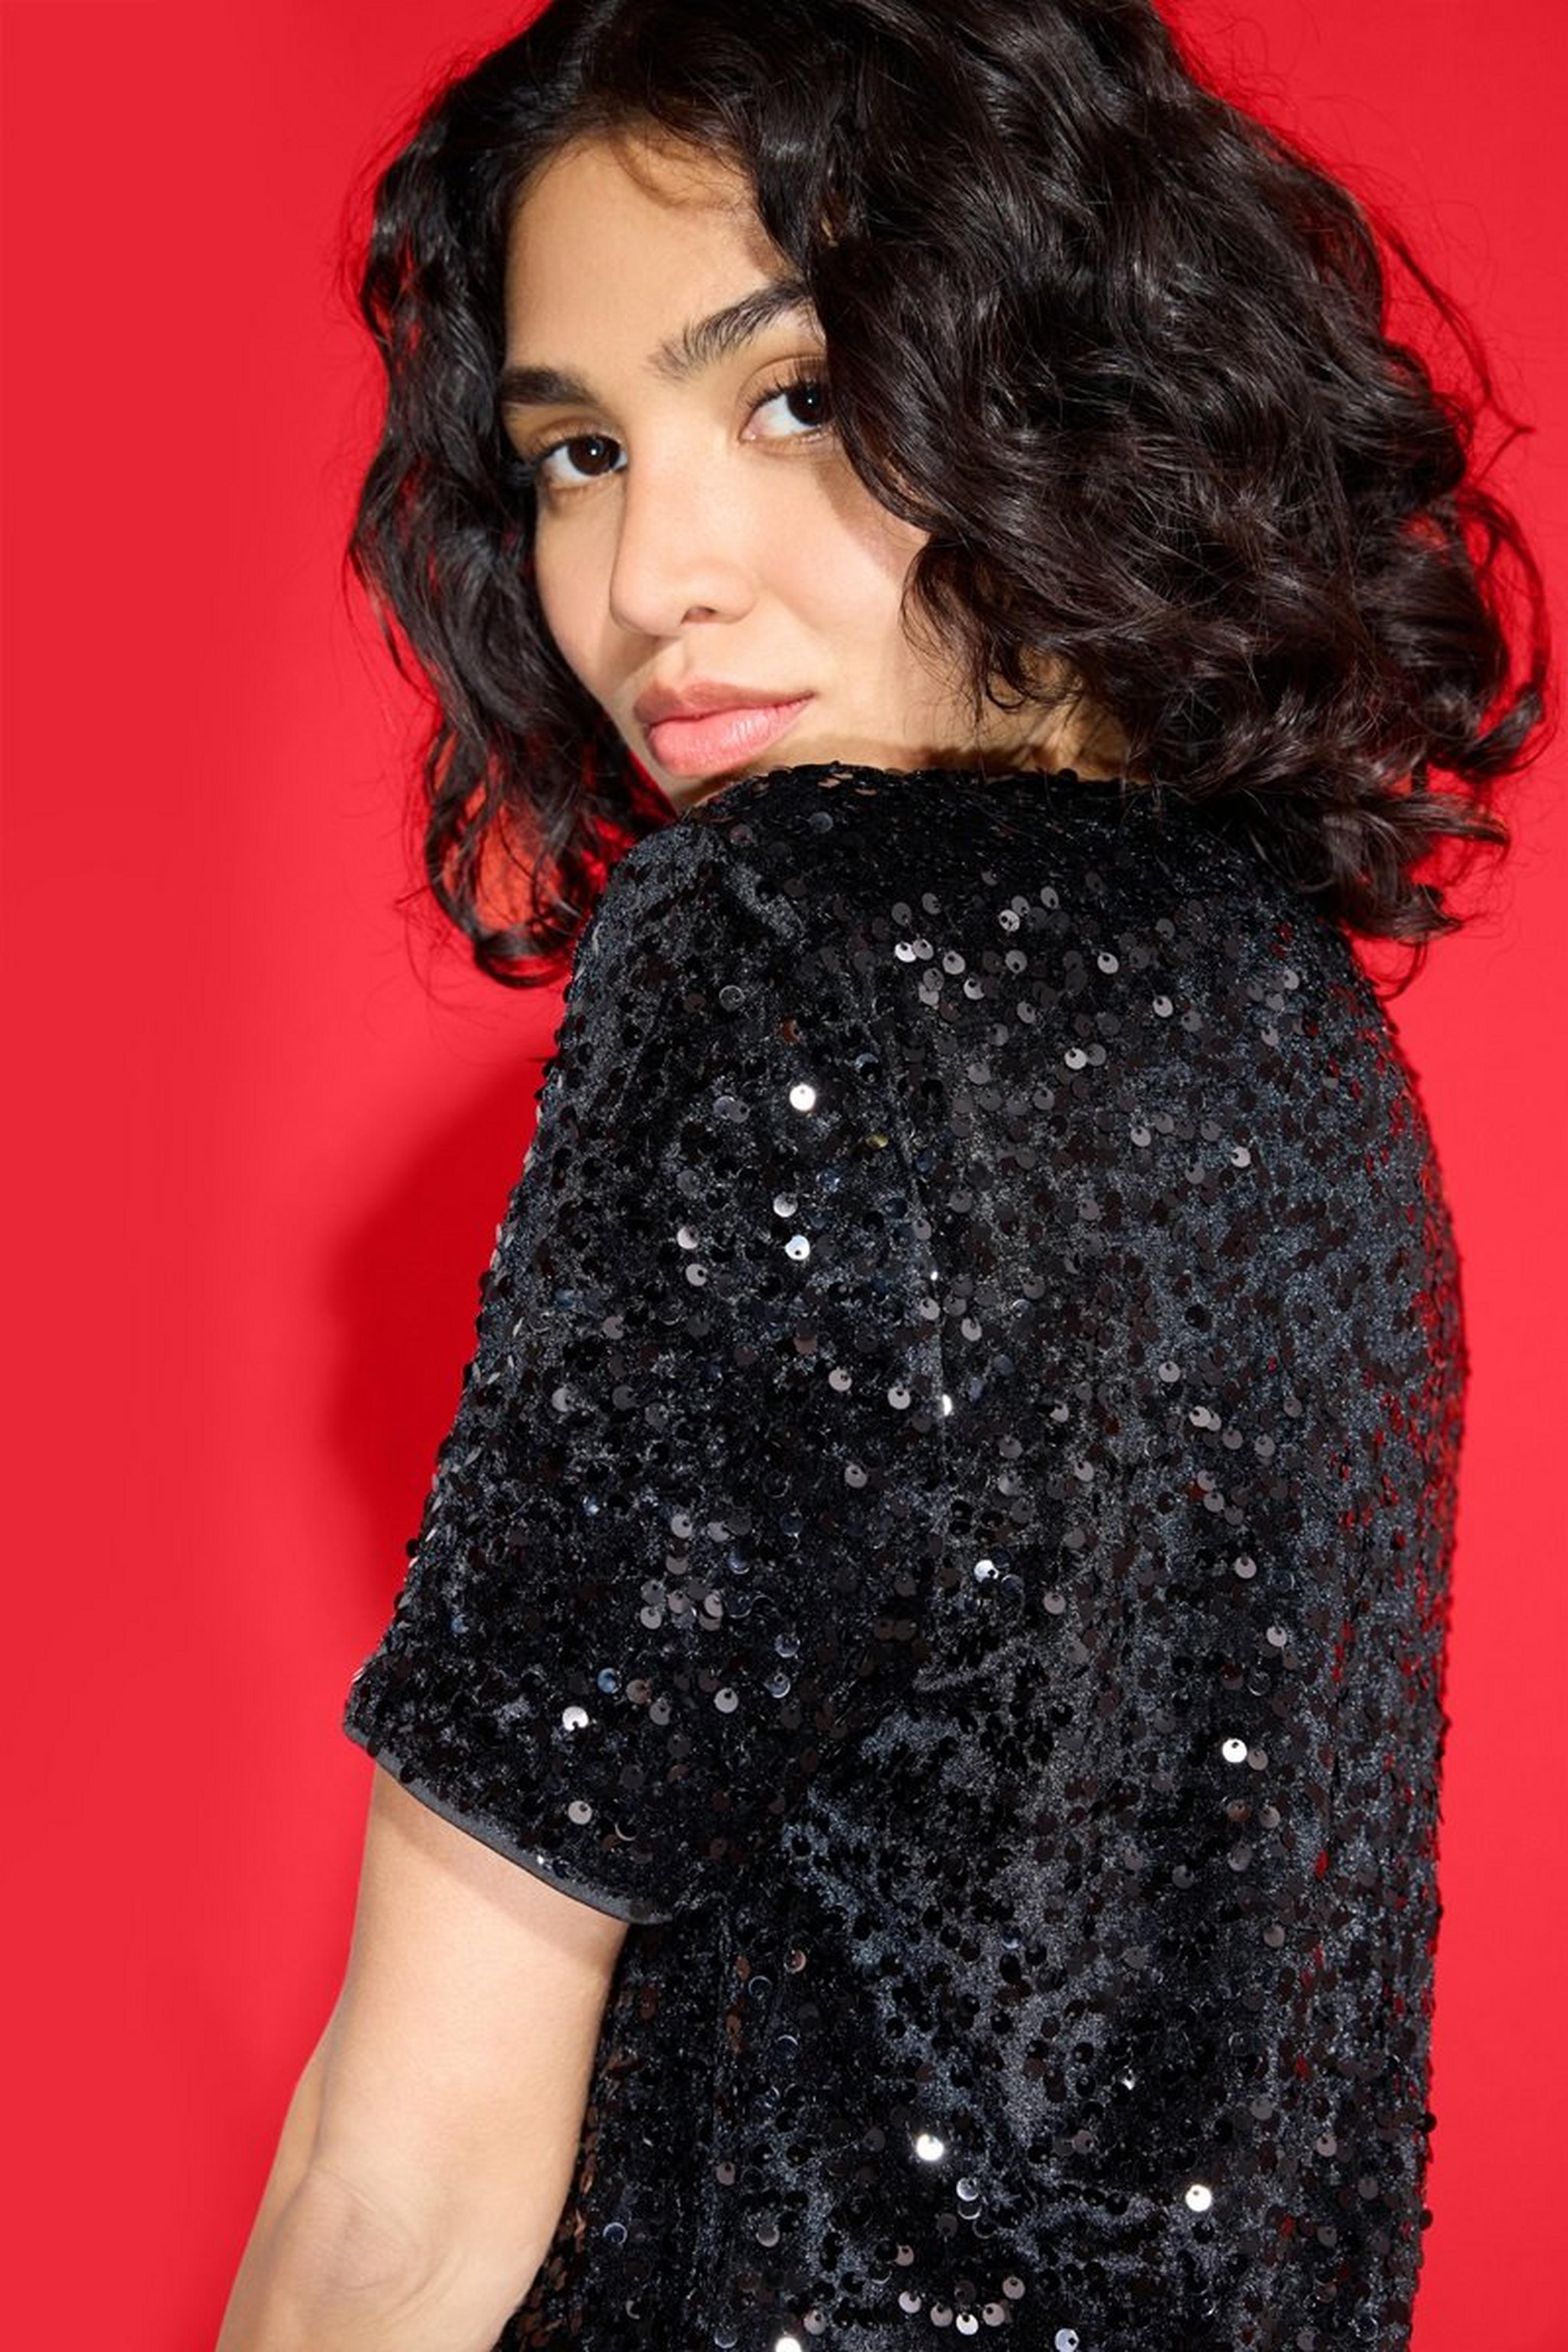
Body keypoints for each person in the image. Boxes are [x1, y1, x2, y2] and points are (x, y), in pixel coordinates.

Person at [216, 2, 1551, 2347]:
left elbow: (407, 2177)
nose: (650, 579)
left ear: (1058, 382)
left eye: (795, 399)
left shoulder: (780, 942)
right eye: (578, 455)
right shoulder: (1302, 1024)